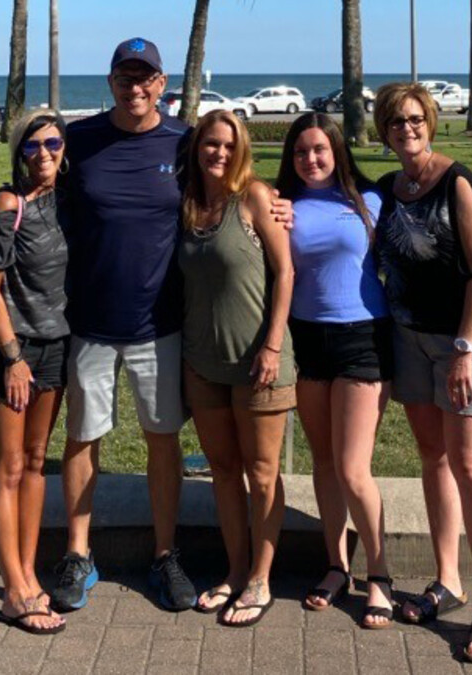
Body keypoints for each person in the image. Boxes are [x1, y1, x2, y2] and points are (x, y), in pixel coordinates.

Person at [0, 38, 294, 613]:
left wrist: (280, 206)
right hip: (88, 322)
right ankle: (78, 553)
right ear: (112, 81)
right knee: (82, 440)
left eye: (146, 77)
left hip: (160, 323)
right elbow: (32, 185)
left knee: (161, 440)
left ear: (163, 83)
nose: (136, 86)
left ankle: (165, 553)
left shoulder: (186, 140)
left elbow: (231, 182)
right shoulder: (83, 140)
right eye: (126, 76)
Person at [372, 82, 472, 664]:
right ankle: (447, 580)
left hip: (468, 342)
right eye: (395, 122)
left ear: (430, 121)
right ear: (383, 131)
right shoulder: (388, 189)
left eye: (414, 118)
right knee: (432, 459)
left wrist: (463, 348)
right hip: (410, 339)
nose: (406, 128)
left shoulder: (457, 181)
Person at [274, 113, 395, 629]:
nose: (311, 160)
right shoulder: (283, 204)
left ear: (338, 151)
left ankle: (380, 575)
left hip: (363, 338)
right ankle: (336, 566)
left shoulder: (372, 201)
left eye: (320, 150)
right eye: (301, 152)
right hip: (308, 339)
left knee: (352, 467)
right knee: (323, 463)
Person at [180, 110, 295, 628]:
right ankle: (235, 569)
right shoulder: (187, 204)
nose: (219, 153)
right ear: (197, 147)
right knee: (224, 473)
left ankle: (260, 580)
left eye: (228, 145)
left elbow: (286, 271)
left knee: (263, 473)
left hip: (258, 365)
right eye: (210, 143)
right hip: (202, 364)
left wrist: (272, 346)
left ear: (241, 149)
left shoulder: (254, 198)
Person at [0, 110, 71, 635]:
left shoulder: (63, 201)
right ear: (19, 153)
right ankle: (13, 591)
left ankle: (28, 574)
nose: (45, 154)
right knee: (6, 468)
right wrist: (12, 359)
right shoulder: (10, 203)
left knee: (35, 464)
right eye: (33, 146)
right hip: (11, 350)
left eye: (53, 143)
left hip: (55, 346)